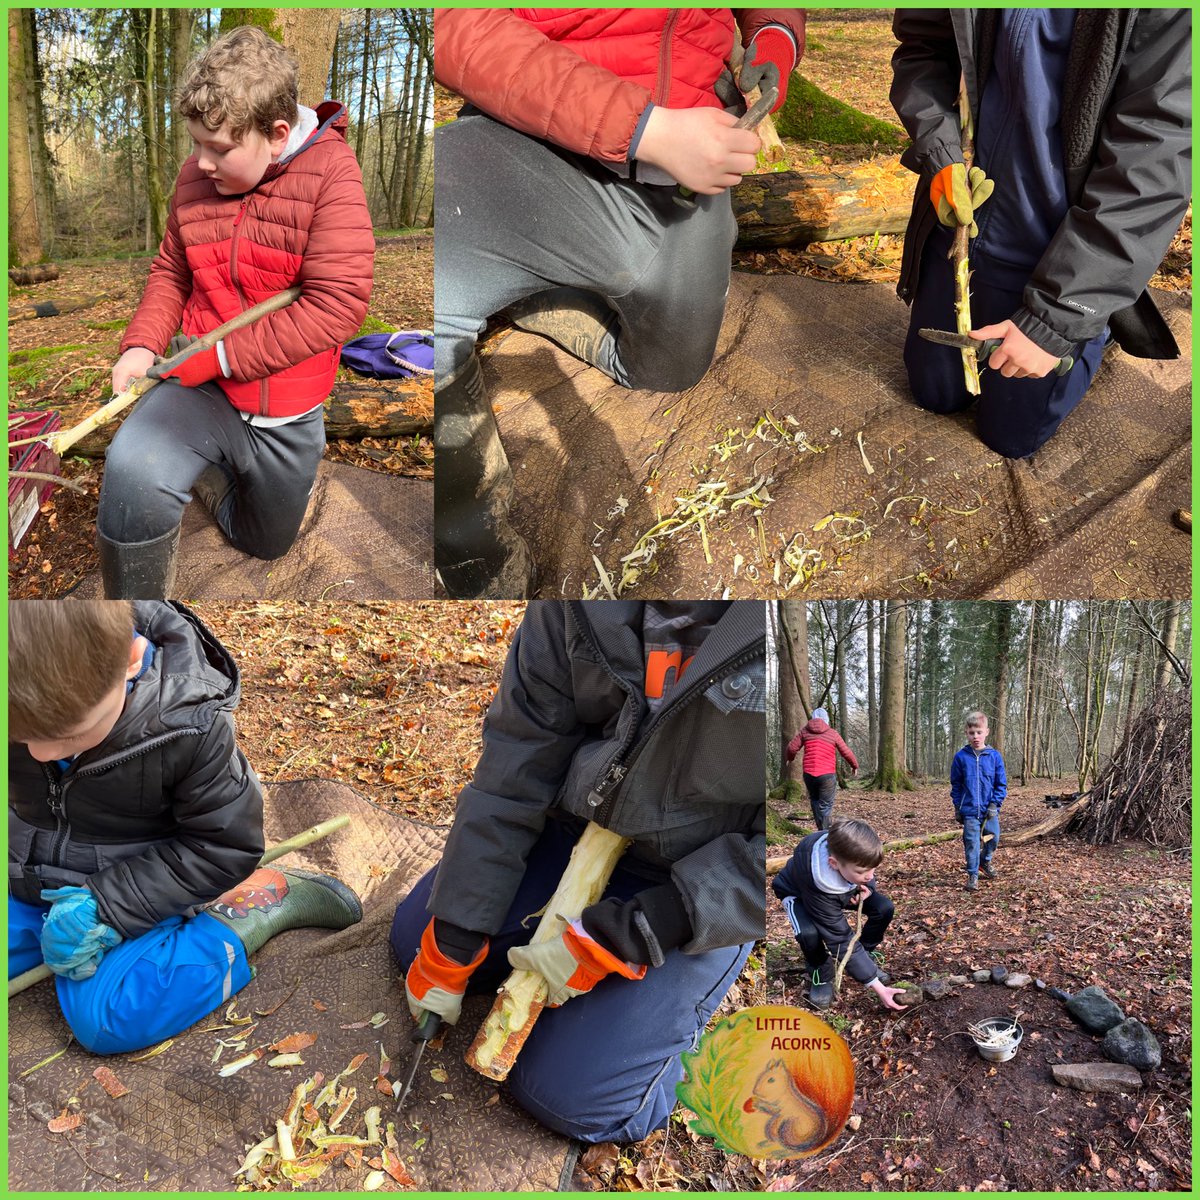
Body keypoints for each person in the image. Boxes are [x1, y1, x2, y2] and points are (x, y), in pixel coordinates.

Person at [434, 8, 808, 598]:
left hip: (683, 168)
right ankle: (473, 559)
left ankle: (538, 294)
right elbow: (457, 26)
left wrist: (775, 39)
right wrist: (648, 131)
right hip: (528, 138)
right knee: (428, 315)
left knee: (671, 367)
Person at [390, 600, 765, 1143]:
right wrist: (457, 927)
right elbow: (519, 756)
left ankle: (663, 1044)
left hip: (693, 878)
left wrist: (646, 927)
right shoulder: (575, 597)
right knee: (418, 943)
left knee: (574, 1101)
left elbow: (773, 853)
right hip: (575, 829)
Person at [8, 600, 362, 1054]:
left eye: (70, 735)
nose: (38, 753)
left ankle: (253, 907)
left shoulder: (190, 728)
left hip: (142, 888)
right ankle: (50, 936)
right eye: (18, 736)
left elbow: (222, 846)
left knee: (113, 1018)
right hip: (25, 872)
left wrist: (107, 907)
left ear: (130, 660)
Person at [97, 26, 374, 598]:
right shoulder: (193, 181)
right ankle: (133, 612)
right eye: (196, 143)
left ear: (276, 135)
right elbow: (172, 271)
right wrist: (141, 345)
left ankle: (214, 479)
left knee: (264, 542)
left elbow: (338, 304)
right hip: (201, 391)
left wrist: (220, 356)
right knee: (133, 469)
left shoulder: (331, 174)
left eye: (219, 148)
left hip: (285, 412)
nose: (200, 163)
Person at [890, 9, 1191, 458]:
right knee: (934, 395)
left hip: (1060, 251)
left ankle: (1094, 322)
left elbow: (1152, 162)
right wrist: (941, 154)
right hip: (962, 232)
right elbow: (923, 50)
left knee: (1009, 437)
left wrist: (1055, 319)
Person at [771, 819, 906, 1012]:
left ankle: (864, 955)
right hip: (800, 895)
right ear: (834, 863)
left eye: (873, 869)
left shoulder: (852, 856)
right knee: (809, 934)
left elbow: (866, 872)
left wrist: (866, 887)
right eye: (862, 872)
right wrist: (876, 986)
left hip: (842, 887)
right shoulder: (817, 877)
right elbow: (840, 937)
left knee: (883, 908)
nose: (870, 874)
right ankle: (821, 970)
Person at [951, 710, 1006, 891]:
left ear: (986, 732)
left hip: (989, 810)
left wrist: (994, 804)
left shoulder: (994, 756)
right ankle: (973, 874)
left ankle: (985, 861)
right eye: (972, 732)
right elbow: (956, 785)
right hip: (969, 810)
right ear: (966, 733)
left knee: (994, 838)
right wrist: (958, 808)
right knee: (971, 842)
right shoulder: (961, 757)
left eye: (979, 732)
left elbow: (1001, 784)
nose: (975, 736)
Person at [785, 706, 858, 830]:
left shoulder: (805, 731)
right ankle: (825, 832)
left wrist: (790, 758)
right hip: (827, 775)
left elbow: (792, 748)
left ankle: (821, 829)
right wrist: (854, 765)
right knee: (826, 805)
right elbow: (846, 751)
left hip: (809, 774)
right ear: (826, 719)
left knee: (814, 800)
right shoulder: (832, 733)